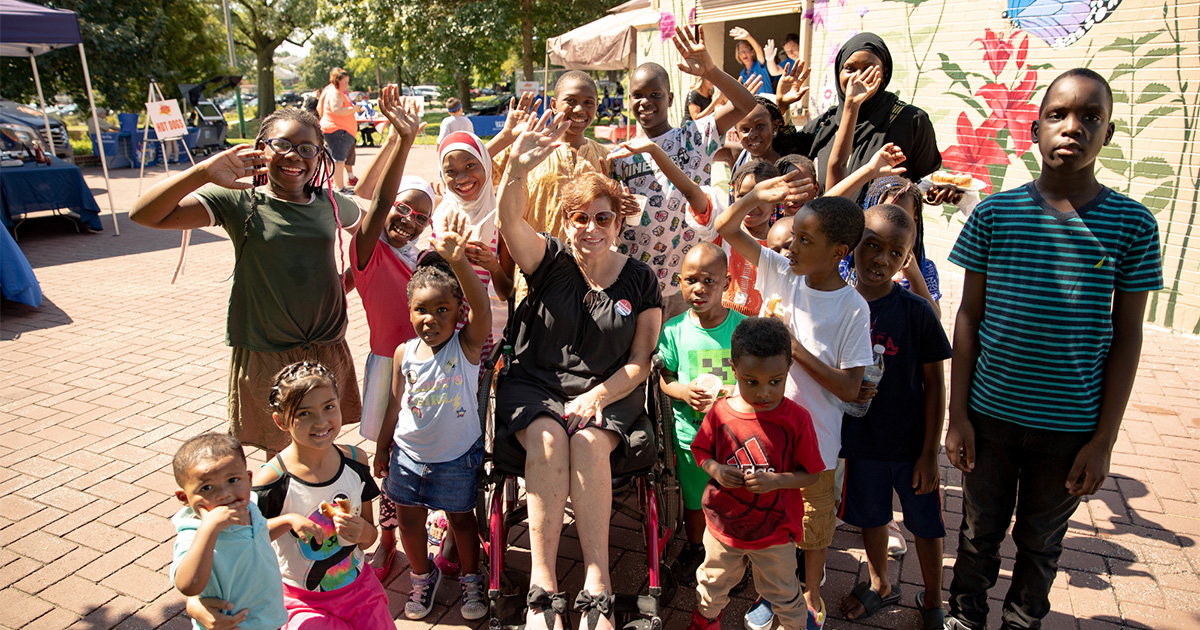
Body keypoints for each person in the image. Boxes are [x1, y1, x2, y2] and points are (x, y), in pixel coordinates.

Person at [944, 68, 1163, 630]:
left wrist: (1104, 440)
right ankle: (964, 618)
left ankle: (1023, 621)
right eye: (1059, 114)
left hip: (1069, 427)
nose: (1074, 127)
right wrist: (958, 414)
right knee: (977, 534)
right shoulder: (995, 215)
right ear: (1034, 129)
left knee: (1041, 542)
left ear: (1108, 134)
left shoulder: (1132, 225)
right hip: (990, 417)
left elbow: (1128, 335)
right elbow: (969, 317)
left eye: (1091, 117)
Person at [495, 112, 663, 630]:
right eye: (581, 218)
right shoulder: (547, 261)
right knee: (547, 442)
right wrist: (516, 171)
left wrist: (598, 398)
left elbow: (640, 361)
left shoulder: (640, 280)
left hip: (611, 390)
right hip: (537, 381)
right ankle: (542, 588)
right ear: (566, 222)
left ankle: (597, 582)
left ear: (619, 223)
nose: (591, 228)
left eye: (604, 218)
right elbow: (508, 221)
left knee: (589, 443)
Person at [129, 108, 363, 456]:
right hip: (267, 348)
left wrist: (345, 282)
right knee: (281, 449)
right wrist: (202, 173)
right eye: (282, 143)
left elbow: (373, 239)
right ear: (260, 149)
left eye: (307, 149)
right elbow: (144, 214)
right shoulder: (239, 200)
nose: (294, 156)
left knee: (323, 439)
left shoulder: (329, 202)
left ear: (320, 156)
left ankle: (325, 506)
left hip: (326, 345)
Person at [716, 178, 873, 630]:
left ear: (838, 252)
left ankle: (811, 593)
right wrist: (753, 198)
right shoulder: (784, 273)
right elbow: (726, 228)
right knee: (771, 520)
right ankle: (774, 591)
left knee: (813, 526)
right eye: (794, 237)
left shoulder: (852, 308)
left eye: (806, 241)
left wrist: (795, 348)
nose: (792, 248)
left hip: (815, 445)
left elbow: (848, 387)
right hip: (765, 435)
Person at [835, 204, 951, 629]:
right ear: (853, 249)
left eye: (894, 252)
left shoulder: (916, 312)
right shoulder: (839, 306)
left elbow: (936, 384)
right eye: (872, 246)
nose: (881, 259)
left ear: (907, 260)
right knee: (871, 516)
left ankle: (934, 599)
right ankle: (881, 583)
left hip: (910, 444)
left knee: (925, 523)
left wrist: (930, 453)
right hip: (860, 441)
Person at [375, 211, 491, 620]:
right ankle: (422, 579)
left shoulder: (467, 347)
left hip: (457, 456)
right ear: (409, 311)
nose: (432, 319)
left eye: (443, 310)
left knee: (462, 524)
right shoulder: (404, 352)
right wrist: (381, 448)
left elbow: (483, 308)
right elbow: (395, 403)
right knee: (409, 523)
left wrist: (458, 259)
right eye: (422, 310)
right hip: (407, 456)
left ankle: (471, 581)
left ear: (458, 311)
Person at [686, 317, 824, 630]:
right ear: (734, 370)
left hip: (774, 533)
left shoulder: (797, 419)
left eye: (775, 382)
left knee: (784, 593)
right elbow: (701, 451)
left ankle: (797, 625)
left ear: (788, 368)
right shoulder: (720, 411)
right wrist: (717, 470)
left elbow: (811, 474)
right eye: (752, 382)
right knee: (711, 585)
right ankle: (705, 622)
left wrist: (777, 481)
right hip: (723, 529)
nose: (764, 392)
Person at [611, 26, 756, 319]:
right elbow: (612, 213)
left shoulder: (695, 136)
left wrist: (711, 71)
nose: (645, 102)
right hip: (633, 280)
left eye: (655, 94)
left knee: (678, 362)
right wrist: (617, 204)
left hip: (685, 284)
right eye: (637, 95)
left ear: (671, 98)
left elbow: (746, 104)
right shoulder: (619, 156)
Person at [345, 87, 430, 582]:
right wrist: (400, 141)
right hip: (384, 368)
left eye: (421, 216)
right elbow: (372, 204)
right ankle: (390, 539)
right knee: (384, 459)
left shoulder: (425, 258)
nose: (408, 220)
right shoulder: (369, 253)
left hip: (426, 369)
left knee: (423, 451)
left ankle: (423, 526)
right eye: (403, 209)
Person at [657, 243, 746, 585]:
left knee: (734, 499)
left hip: (736, 439)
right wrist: (683, 391)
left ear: (726, 282)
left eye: (709, 280)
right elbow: (665, 376)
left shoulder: (742, 328)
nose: (699, 288)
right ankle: (696, 547)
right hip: (691, 437)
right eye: (691, 280)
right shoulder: (674, 330)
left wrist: (737, 394)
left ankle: (736, 556)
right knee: (694, 501)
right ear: (679, 282)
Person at [793, 34, 942, 197]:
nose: (858, 77)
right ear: (839, 71)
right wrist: (782, 106)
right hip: (829, 220)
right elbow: (784, 155)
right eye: (850, 68)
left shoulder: (910, 120)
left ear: (884, 72)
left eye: (868, 69)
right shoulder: (827, 122)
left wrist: (937, 192)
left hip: (883, 221)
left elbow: (926, 181)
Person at [170, 433, 289, 630]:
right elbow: (188, 585)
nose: (224, 494)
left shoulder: (249, 505)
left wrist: (288, 521)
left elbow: (256, 535)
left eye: (233, 480)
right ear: (184, 497)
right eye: (207, 487)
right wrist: (209, 529)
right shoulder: (193, 533)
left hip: (268, 619)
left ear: (249, 479)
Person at [489, 73, 609, 241]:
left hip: (588, 262)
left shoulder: (605, 157)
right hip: (534, 260)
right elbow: (471, 168)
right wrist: (506, 136)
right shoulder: (525, 149)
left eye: (588, 102)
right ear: (554, 104)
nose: (579, 109)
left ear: (597, 106)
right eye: (571, 101)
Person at [432, 129, 515, 354]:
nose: (462, 178)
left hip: (477, 331)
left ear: (486, 165)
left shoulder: (500, 219)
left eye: (471, 166)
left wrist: (492, 265)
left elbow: (506, 291)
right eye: (451, 171)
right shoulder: (439, 212)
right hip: (435, 328)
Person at [722, 160, 780, 317]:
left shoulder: (783, 243)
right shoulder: (722, 235)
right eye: (743, 197)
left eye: (758, 198)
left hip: (762, 327)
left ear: (775, 201)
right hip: (721, 322)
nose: (750, 205)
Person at [318, 68, 363, 191]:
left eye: (347, 82)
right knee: (339, 160)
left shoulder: (337, 92)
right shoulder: (335, 93)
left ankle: (338, 185)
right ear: (337, 80)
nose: (346, 85)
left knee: (338, 160)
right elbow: (336, 110)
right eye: (344, 82)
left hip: (338, 130)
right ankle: (339, 187)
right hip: (337, 130)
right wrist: (354, 109)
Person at [729, 27, 773, 95]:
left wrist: (748, 37)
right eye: (740, 52)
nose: (743, 54)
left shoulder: (759, 65)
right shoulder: (743, 74)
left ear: (752, 52)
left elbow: (759, 50)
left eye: (745, 50)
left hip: (767, 102)